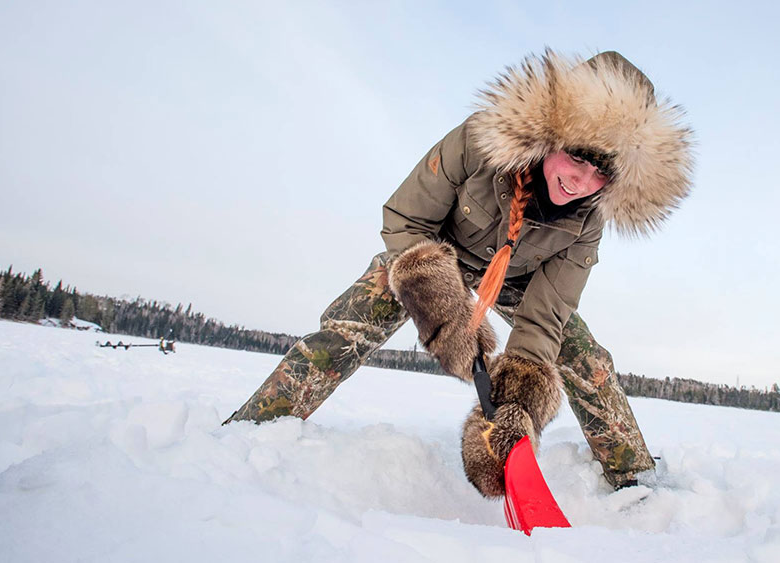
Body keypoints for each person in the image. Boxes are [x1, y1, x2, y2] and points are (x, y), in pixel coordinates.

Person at [225, 50, 693, 497]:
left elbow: (545, 317)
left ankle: (636, 482)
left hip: (517, 279)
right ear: (554, 134)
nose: (580, 182)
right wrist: (442, 310)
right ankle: (252, 431)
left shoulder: (588, 221)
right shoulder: (479, 141)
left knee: (585, 359)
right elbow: (405, 219)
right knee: (354, 320)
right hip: (435, 250)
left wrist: (515, 403)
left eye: (601, 172)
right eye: (576, 156)